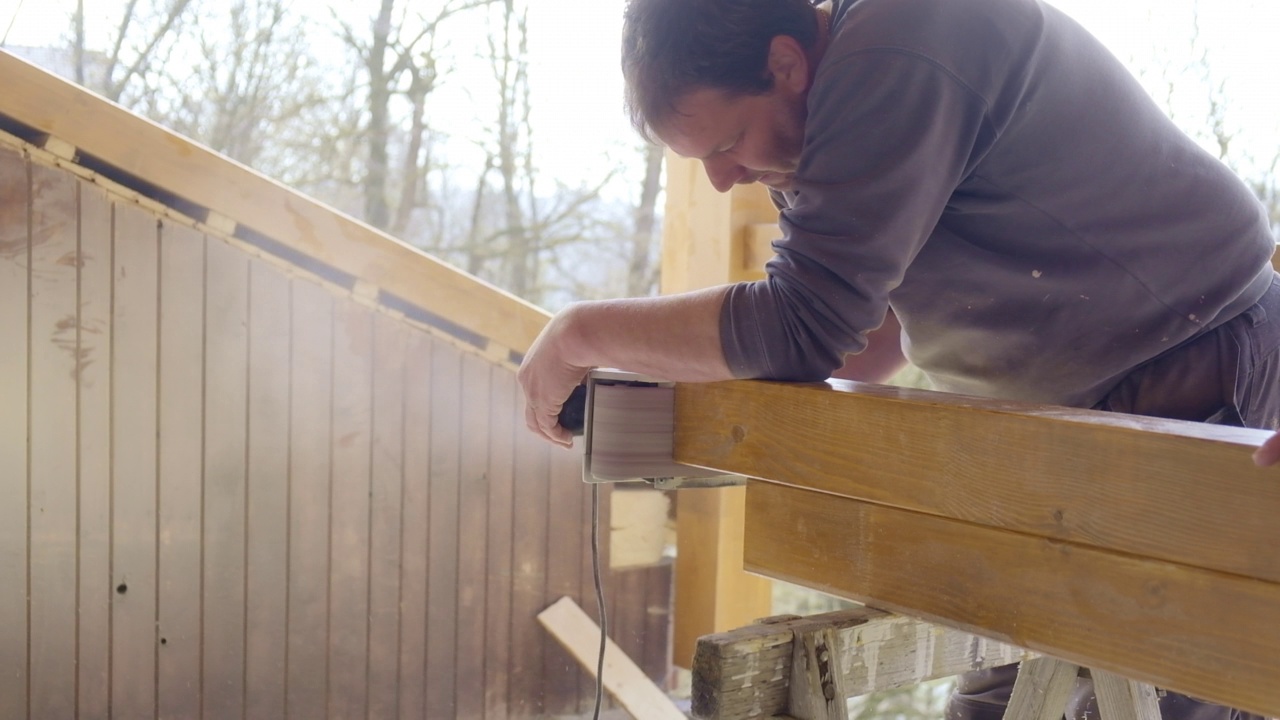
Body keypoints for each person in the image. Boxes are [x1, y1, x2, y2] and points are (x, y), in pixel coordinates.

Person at [516, 0, 1280, 717]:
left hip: (1199, 361)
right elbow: (864, 335)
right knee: (992, 705)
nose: (723, 179)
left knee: (1166, 693)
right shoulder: (820, 122)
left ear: (786, 63)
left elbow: (803, 324)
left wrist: (581, 333)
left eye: (724, 144)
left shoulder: (902, 45)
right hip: (1068, 415)